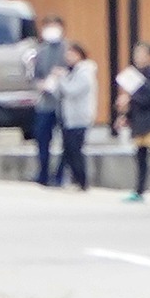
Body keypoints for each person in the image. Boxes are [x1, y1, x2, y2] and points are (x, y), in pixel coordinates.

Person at [116, 41, 150, 203]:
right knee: (140, 158)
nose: (138, 58)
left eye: (142, 54)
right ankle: (139, 191)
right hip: (139, 122)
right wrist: (126, 116)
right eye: (136, 54)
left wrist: (130, 97)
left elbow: (147, 99)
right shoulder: (135, 75)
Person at [30, 16, 68, 186]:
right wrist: (40, 84)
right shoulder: (40, 50)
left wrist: (61, 76)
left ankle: (60, 175)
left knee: (67, 140)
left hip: (64, 103)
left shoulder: (68, 49)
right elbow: (35, 75)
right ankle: (43, 173)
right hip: (44, 103)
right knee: (42, 139)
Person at [57, 42, 97, 191]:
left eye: (71, 54)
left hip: (80, 117)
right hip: (70, 117)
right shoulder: (72, 71)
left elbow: (72, 91)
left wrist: (61, 79)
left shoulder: (85, 72)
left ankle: (82, 181)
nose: (68, 57)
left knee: (76, 150)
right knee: (69, 149)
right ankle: (74, 180)